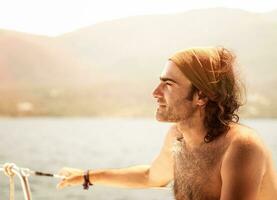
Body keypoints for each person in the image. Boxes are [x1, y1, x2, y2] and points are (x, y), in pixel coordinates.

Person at [57, 47, 277, 200]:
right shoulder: (178, 136)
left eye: (168, 84)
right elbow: (150, 176)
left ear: (201, 96)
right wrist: (87, 176)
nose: (155, 93)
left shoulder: (242, 147)